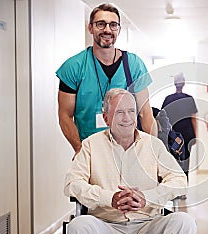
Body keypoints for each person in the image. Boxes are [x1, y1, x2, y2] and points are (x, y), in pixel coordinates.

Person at [64, 89, 196, 234]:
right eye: (119, 112)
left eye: (131, 111)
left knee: (185, 222)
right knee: (78, 226)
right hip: (107, 227)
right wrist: (108, 198)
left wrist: (147, 198)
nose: (127, 118)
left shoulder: (153, 145)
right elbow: (72, 184)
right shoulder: (90, 145)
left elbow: (179, 181)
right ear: (106, 118)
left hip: (148, 227)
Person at [56, 3, 156, 158]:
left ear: (119, 30)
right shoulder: (73, 67)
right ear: (90, 28)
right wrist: (79, 149)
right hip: (90, 152)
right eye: (100, 24)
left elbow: (145, 113)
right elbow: (65, 115)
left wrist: (151, 152)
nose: (107, 30)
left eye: (113, 25)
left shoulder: (134, 65)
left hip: (130, 153)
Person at [162, 72, 198, 178]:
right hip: (187, 134)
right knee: (185, 161)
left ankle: (174, 185)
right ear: (184, 83)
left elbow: (163, 118)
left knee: (172, 160)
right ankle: (184, 186)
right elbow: (193, 118)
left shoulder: (168, 99)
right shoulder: (189, 98)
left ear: (174, 83)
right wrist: (196, 135)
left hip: (173, 136)